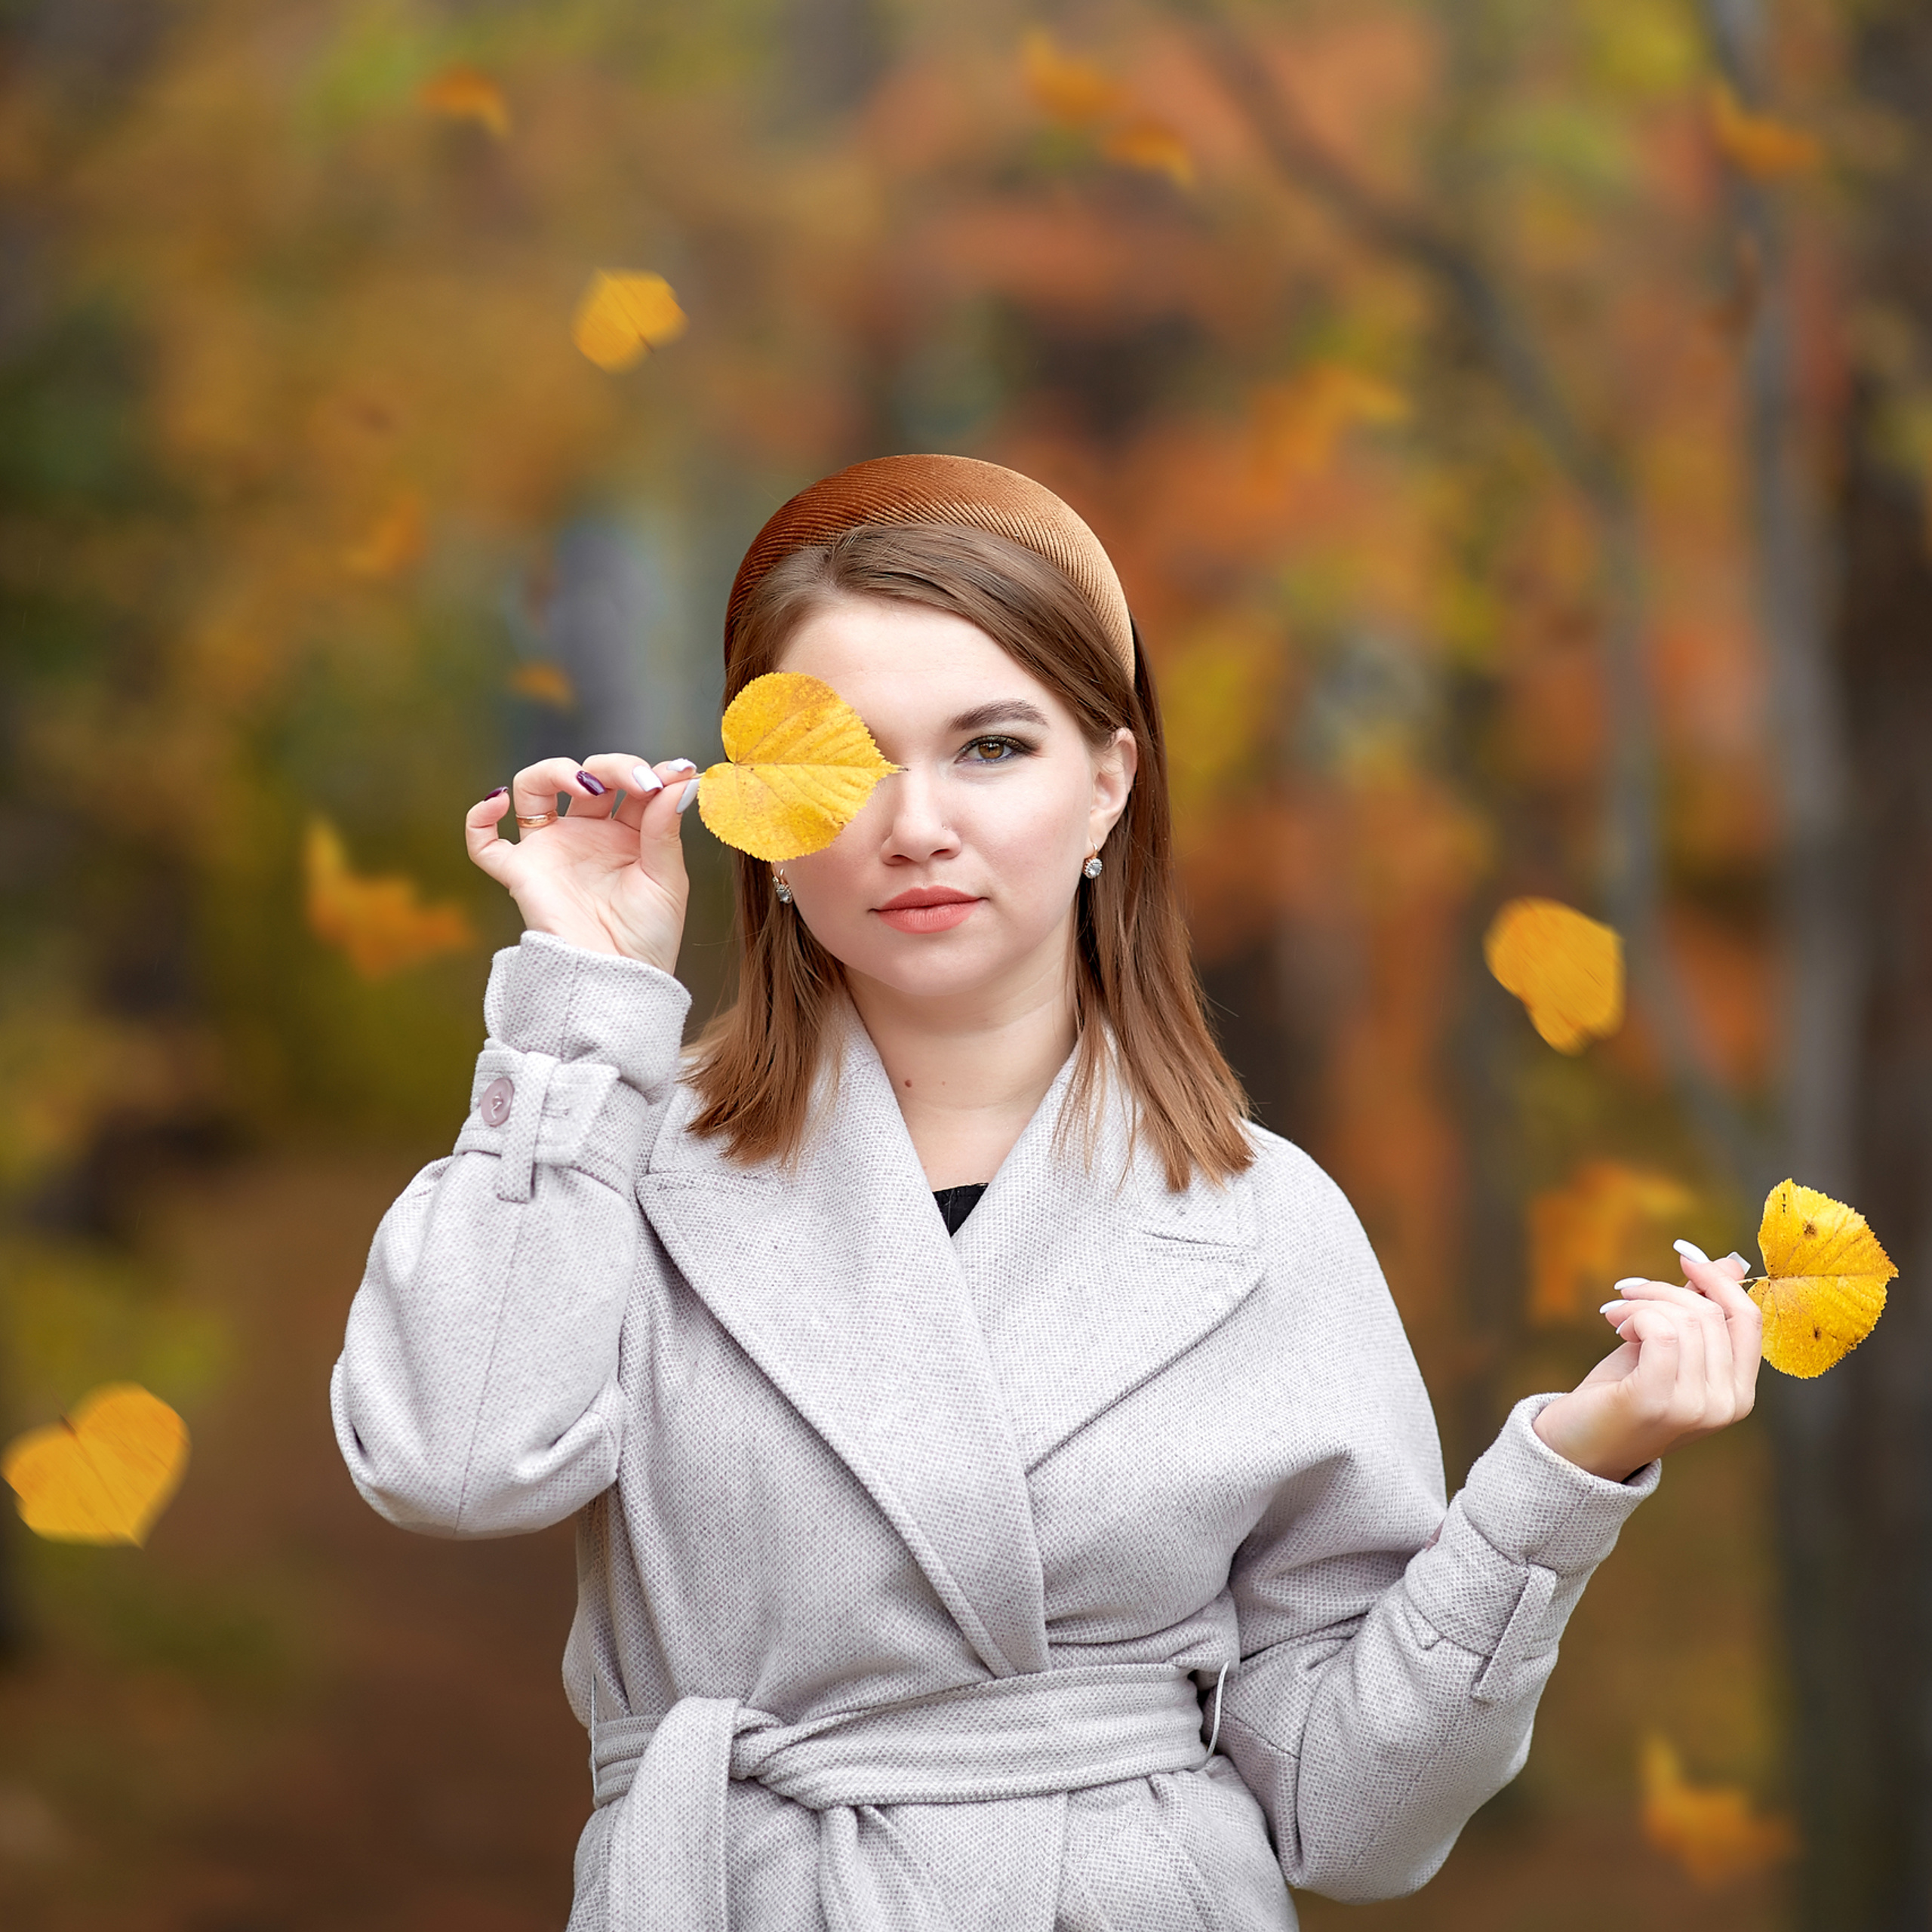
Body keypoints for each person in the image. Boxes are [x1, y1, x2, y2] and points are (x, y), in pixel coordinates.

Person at [329, 454, 1764, 1932]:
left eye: (992, 746)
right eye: (847, 756)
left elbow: (1353, 1817)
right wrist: (586, 1001)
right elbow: (448, 1459)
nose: (913, 820)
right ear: (758, 806)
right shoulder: (622, 1158)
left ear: (1108, 784)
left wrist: (1567, 1471)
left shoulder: (1261, 1222)